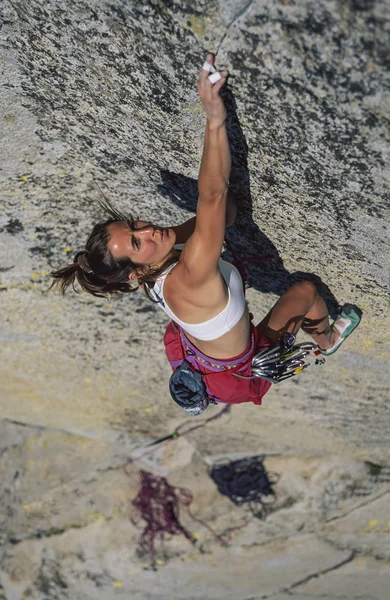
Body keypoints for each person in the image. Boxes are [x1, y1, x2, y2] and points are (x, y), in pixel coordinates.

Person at [50, 54, 361, 409]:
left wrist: (213, 217)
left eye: (136, 224)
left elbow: (223, 213)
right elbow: (213, 195)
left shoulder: (160, 259)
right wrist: (214, 118)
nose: (149, 229)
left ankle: (317, 336)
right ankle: (326, 340)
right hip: (241, 368)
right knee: (305, 291)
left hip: (212, 353)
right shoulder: (190, 273)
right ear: (137, 272)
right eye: (138, 241)